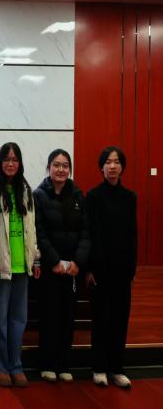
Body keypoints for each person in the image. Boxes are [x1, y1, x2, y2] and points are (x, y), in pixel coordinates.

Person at [0, 142, 40, 388]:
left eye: (15, 159)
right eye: (6, 159)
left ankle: (16, 365)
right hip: (0, 264)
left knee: (19, 319)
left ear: (20, 163)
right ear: (0, 162)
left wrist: (35, 258)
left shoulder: (25, 191)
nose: (10, 163)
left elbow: (32, 228)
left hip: (21, 265)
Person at [33, 149, 90, 383]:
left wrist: (78, 261)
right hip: (50, 268)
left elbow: (85, 232)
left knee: (68, 317)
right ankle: (47, 364)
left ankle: (63, 364)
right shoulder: (39, 195)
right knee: (50, 316)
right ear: (48, 168)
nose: (61, 169)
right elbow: (39, 233)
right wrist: (54, 261)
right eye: (56, 165)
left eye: (65, 165)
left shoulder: (77, 195)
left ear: (70, 169)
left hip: (73, 269)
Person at [86, 146, 137, 389]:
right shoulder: (93, 196)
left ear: (122, 166)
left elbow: (132, 235)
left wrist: (132, 268)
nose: (113, 166)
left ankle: (117, 368)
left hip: (122, 270)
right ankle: (98, 368)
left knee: (120, 319)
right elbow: (91, 234)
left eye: (116, 162)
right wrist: (90, 268)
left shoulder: (130, 197)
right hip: (100, 269)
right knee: (101, 319)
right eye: (108, 162)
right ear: (101, 167)